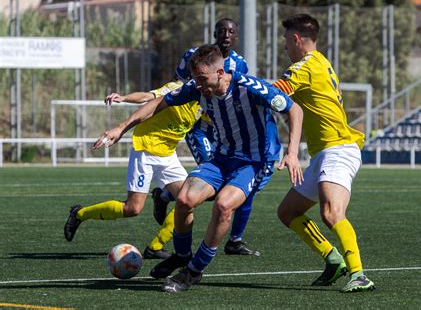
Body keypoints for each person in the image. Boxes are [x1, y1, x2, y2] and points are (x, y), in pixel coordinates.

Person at [93, 44, 304, 293]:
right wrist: (121, 127)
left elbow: (294, 109)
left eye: (203, 79)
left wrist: (292, 153)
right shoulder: (197, 87)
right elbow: (159, 103)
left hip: (252, 162)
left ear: (221, 72)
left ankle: (194, 271)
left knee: (224, 205)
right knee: (183, 199)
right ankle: (182, 255)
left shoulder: (251, 87)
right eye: (196, 79)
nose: (199, 86)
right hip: (221, 158)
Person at [272, 14, 375, 293]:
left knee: (332, 213)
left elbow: (273, 93)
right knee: (287, 212)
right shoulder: (321, 61)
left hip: (338, 149)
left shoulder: (305, 65)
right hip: (324, 152)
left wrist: (238, 83)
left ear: (296, 39)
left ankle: (359, 274)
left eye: (285, 40)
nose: (284, 47)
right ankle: (333, 259)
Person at [151, 18, 262, 256]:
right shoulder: (195, 56)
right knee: (211, 187)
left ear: (236, 36)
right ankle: (165, 198)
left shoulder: (240, 64)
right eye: (222, 30)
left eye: (231, 31)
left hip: (225, 132)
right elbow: (179, 85)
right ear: (214, 33)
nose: (226, 35)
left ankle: (235, 239)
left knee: (241, 189)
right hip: (200, 127)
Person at [63, 81, 198, 261]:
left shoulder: (208, 100)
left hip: (168, 155)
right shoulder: (179, 89)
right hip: (146, 149)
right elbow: (147, 97)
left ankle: (155, 248)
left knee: (188, 200)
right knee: (132, 208)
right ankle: (80, 213)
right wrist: (124, 98)